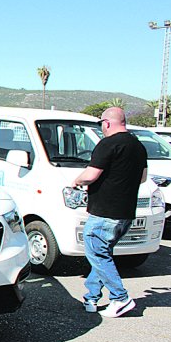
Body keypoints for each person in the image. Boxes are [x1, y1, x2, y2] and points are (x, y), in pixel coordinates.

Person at [73, 107, 147, 318]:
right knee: (102, 255)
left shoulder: (107, 144)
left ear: (106, 123)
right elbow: (142, 177)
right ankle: (91, 297)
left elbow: (90, 175)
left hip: (105, 212)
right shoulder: (138, 146)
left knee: (97, 253)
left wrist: (77, 181)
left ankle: (120, 298)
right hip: (126, 213)